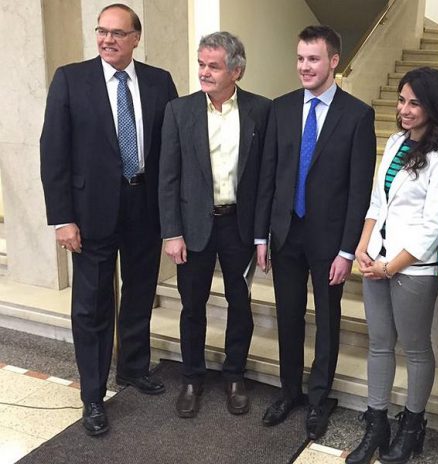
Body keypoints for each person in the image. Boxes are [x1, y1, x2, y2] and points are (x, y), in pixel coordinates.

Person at [39, 3, 177, 436]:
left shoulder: (159, 82)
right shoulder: (70, 79)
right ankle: (93, 395)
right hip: (90, 214)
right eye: (102, 31)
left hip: (144, 209)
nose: (108, 40)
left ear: (136, 38)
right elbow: (53, 151)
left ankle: (133, 367)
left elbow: (170, 152)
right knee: (92, 304)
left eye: (118, 33)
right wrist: (63, 218)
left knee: (139, 293)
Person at [255, 25, 376, 440]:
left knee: (327, 320)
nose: (305, 67)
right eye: (301, 58)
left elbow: (359, 190)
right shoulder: (281, 107)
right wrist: (260, 237)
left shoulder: (358, 114)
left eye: (313, 59)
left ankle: (318, 398)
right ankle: (289, 391)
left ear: (334, 61)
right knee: (288, 316)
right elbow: (268, 176)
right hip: (286, 234)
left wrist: (347, 250)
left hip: (329, 242)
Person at [345, 67, 438, 464]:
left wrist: (391, 266)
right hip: (378, 260)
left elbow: (434, 224)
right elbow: (377, 203)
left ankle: (412, 426)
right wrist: (363, 249)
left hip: (413, 267)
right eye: (401, 100)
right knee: (379, 344)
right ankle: (376, 423)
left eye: (415, 102)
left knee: (414, 348)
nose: (405, 109)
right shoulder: (395, 141)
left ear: (434, 107)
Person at [159, 32, 270, 419]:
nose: (204, 72)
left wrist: (262, 235)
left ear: (236, 70)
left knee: (240, 304)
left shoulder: (261, 111)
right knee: (193, 306)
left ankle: (235, 375)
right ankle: (192, 378)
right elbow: (168, 177)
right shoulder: (179, 110)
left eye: (214, 66)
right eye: (201, 64)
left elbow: (265, 179)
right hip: (193, 228)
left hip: (238, 226)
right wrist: (171, 232)